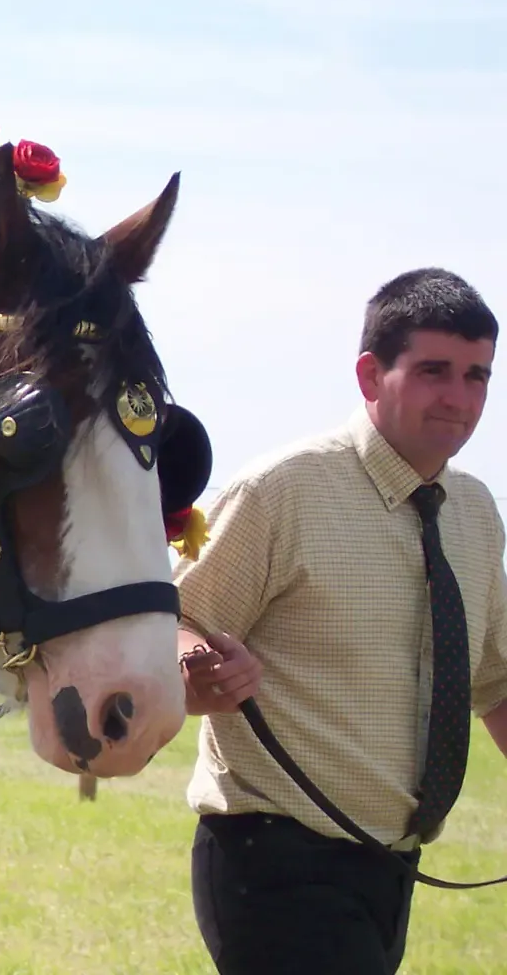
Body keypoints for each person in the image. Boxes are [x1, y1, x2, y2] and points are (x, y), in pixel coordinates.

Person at [174, 267, 507, 975]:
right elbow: (173, 621)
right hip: (273, 858)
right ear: (369, 374)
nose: (460, 397)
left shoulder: (477, 513)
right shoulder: (281, 490)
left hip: (391, 867)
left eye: (478, 375)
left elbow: (496, 684)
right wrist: (197, 664)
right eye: (434, 371)